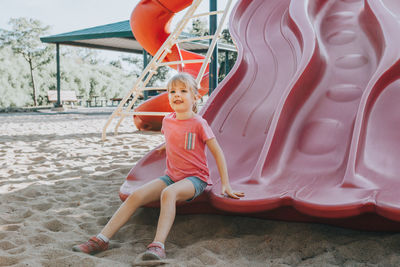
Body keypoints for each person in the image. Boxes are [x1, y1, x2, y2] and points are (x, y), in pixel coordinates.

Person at [72, 72, 245, 260]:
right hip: (171, 176)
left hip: (195, 179)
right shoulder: (167, 120)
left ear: (195, 96)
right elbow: (174, 137)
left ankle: (158, 245)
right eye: (172, 91)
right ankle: (101, 239)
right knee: (136, 195)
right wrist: (165, 146)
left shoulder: (199, 123)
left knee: (168, 193)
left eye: (183, 91)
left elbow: (217, 151)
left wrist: (225, 183)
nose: (176, 95)